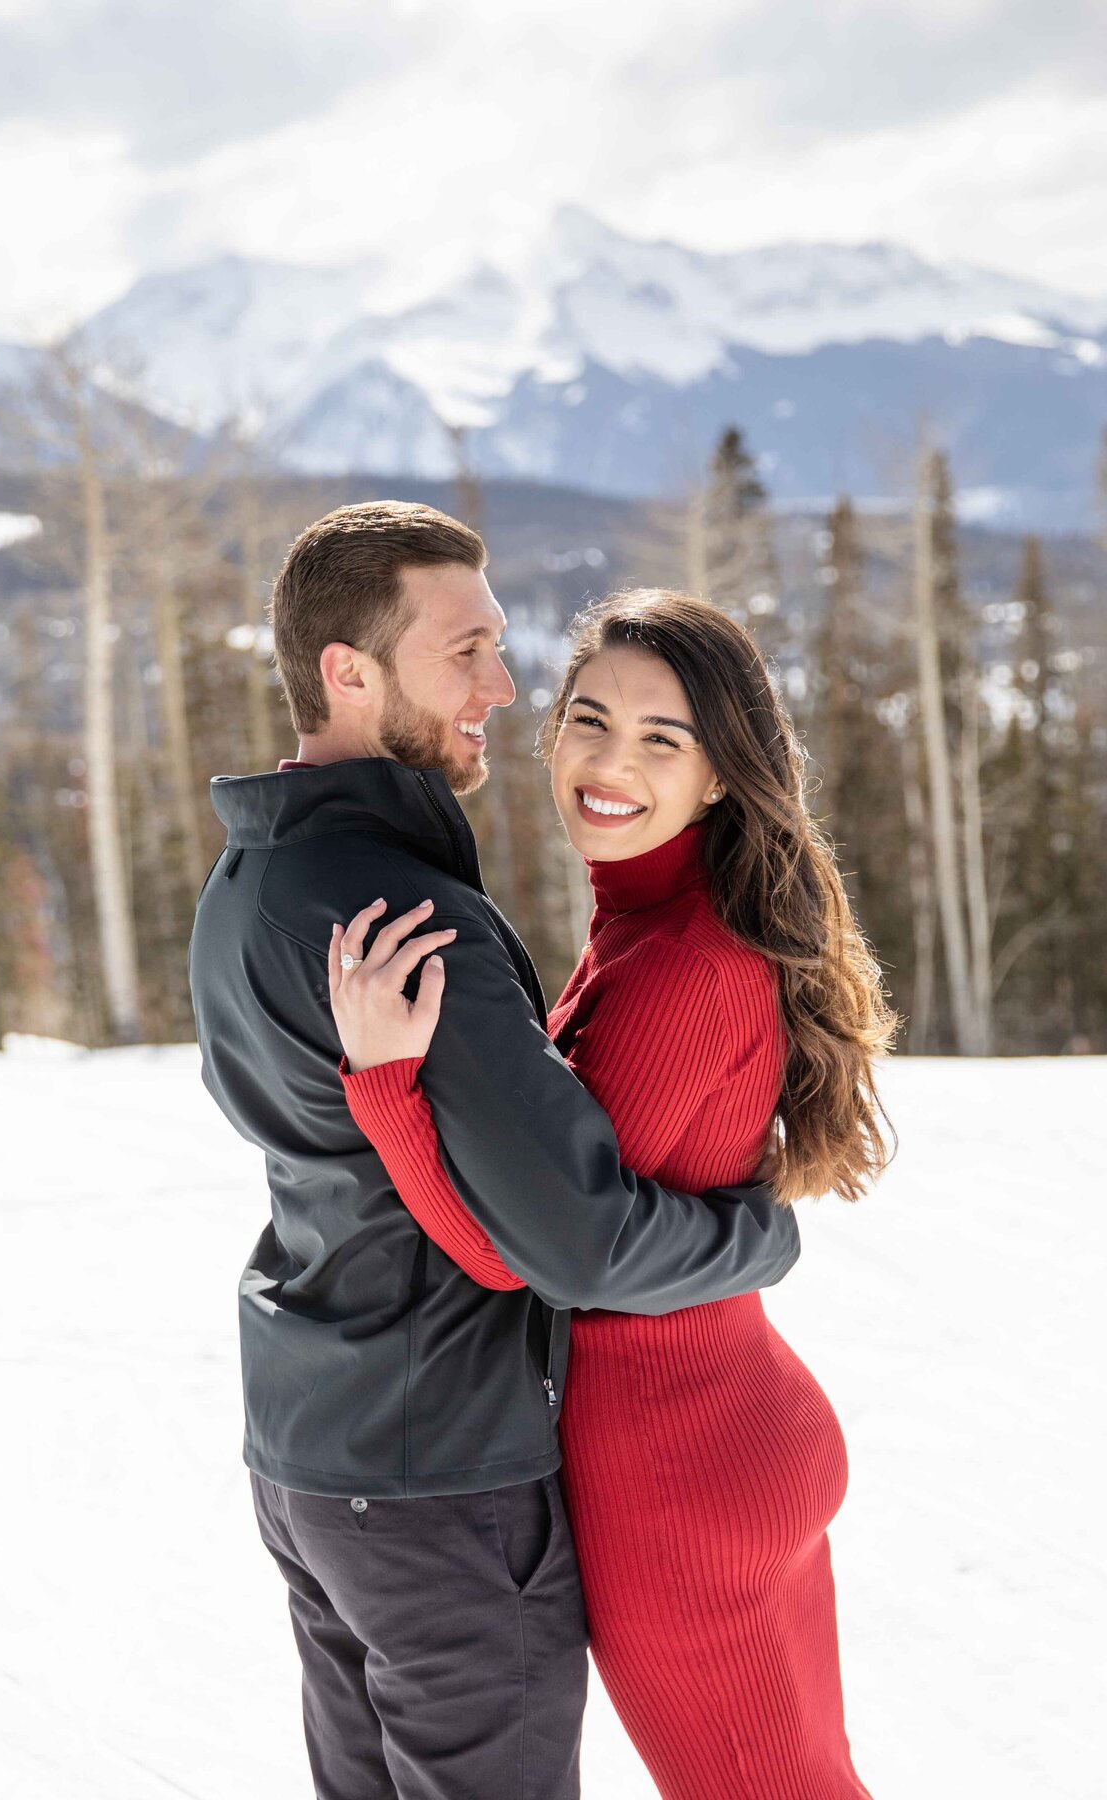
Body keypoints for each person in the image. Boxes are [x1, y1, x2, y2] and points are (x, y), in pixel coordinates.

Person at [187, 504, 800, 1800]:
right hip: (441, 1475)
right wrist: (760, 1232)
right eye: (464, 650)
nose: (501, 686)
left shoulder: (248, 880)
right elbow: (576, 1239)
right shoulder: (406, 922)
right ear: (349, 670)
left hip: (311, 1457)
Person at [329, 588, 897, 1800]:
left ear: (722, 778)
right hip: (726, 1426)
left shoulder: (683, 965)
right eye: (589, 719)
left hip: (678, 1483)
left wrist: (383, 1088)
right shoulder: (652, 924)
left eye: (662, 739)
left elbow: (537, 1257)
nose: (610, 763)